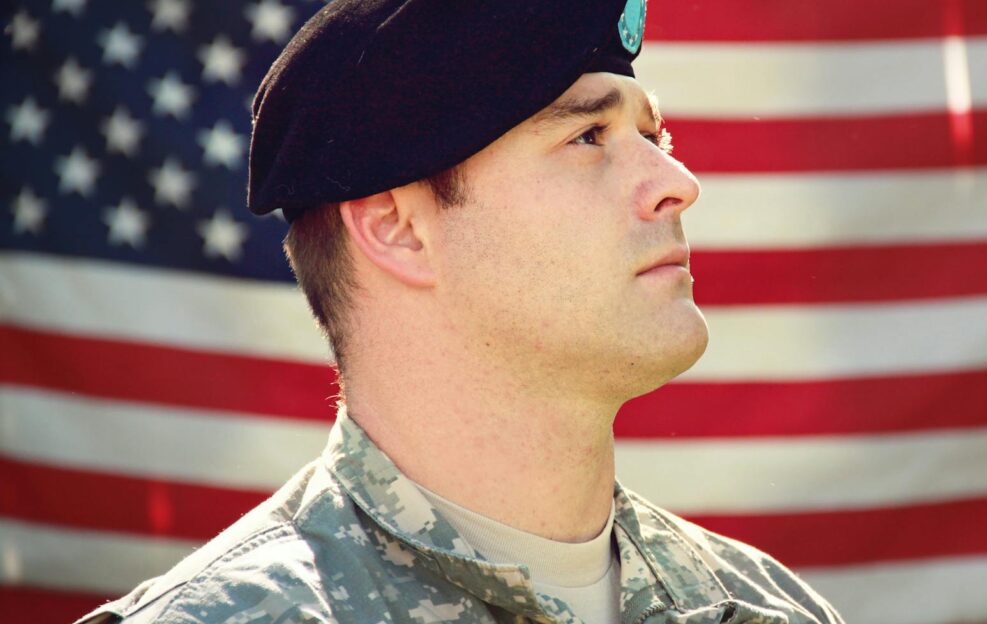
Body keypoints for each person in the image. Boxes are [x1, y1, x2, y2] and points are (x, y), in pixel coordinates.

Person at [75, 1, 843, 622]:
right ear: (397, 229)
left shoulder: (768, 607)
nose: (677, 181)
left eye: (653, 133)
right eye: (587, 135)